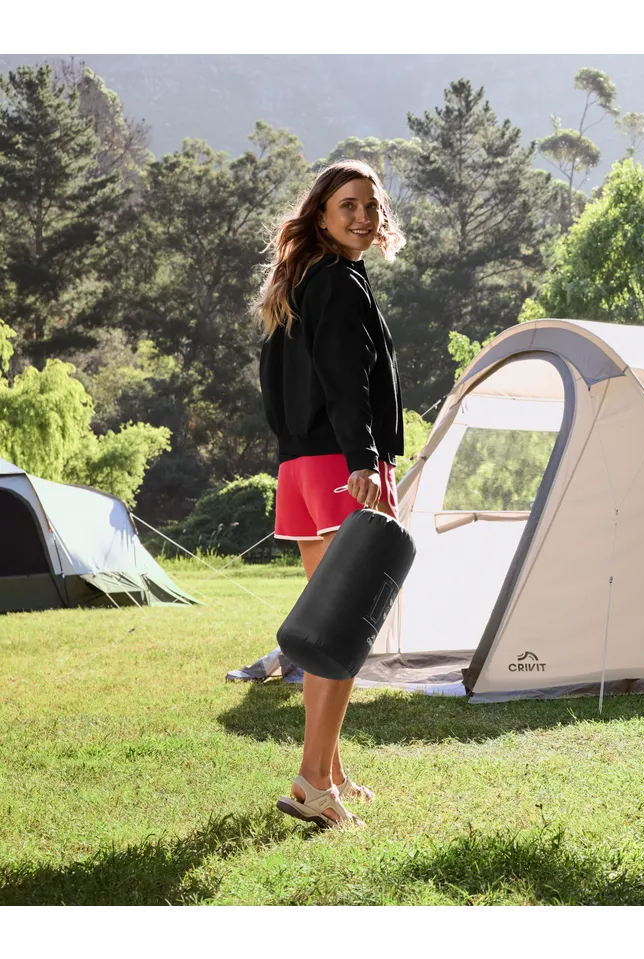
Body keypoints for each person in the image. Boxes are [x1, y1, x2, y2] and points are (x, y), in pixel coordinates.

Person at [254, 160, 406, 828]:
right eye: (349, 205)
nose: (363, 217)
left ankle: (332, 770)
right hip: (345, 467)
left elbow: (274, 385)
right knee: (342, 634)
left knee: (327, 633)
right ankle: (313, 782)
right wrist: (362, 460)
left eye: (371, 207)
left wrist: (311, 453)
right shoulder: (339, 285)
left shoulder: (301, 281)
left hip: (304, 468)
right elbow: (348, 381)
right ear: (321, 214)